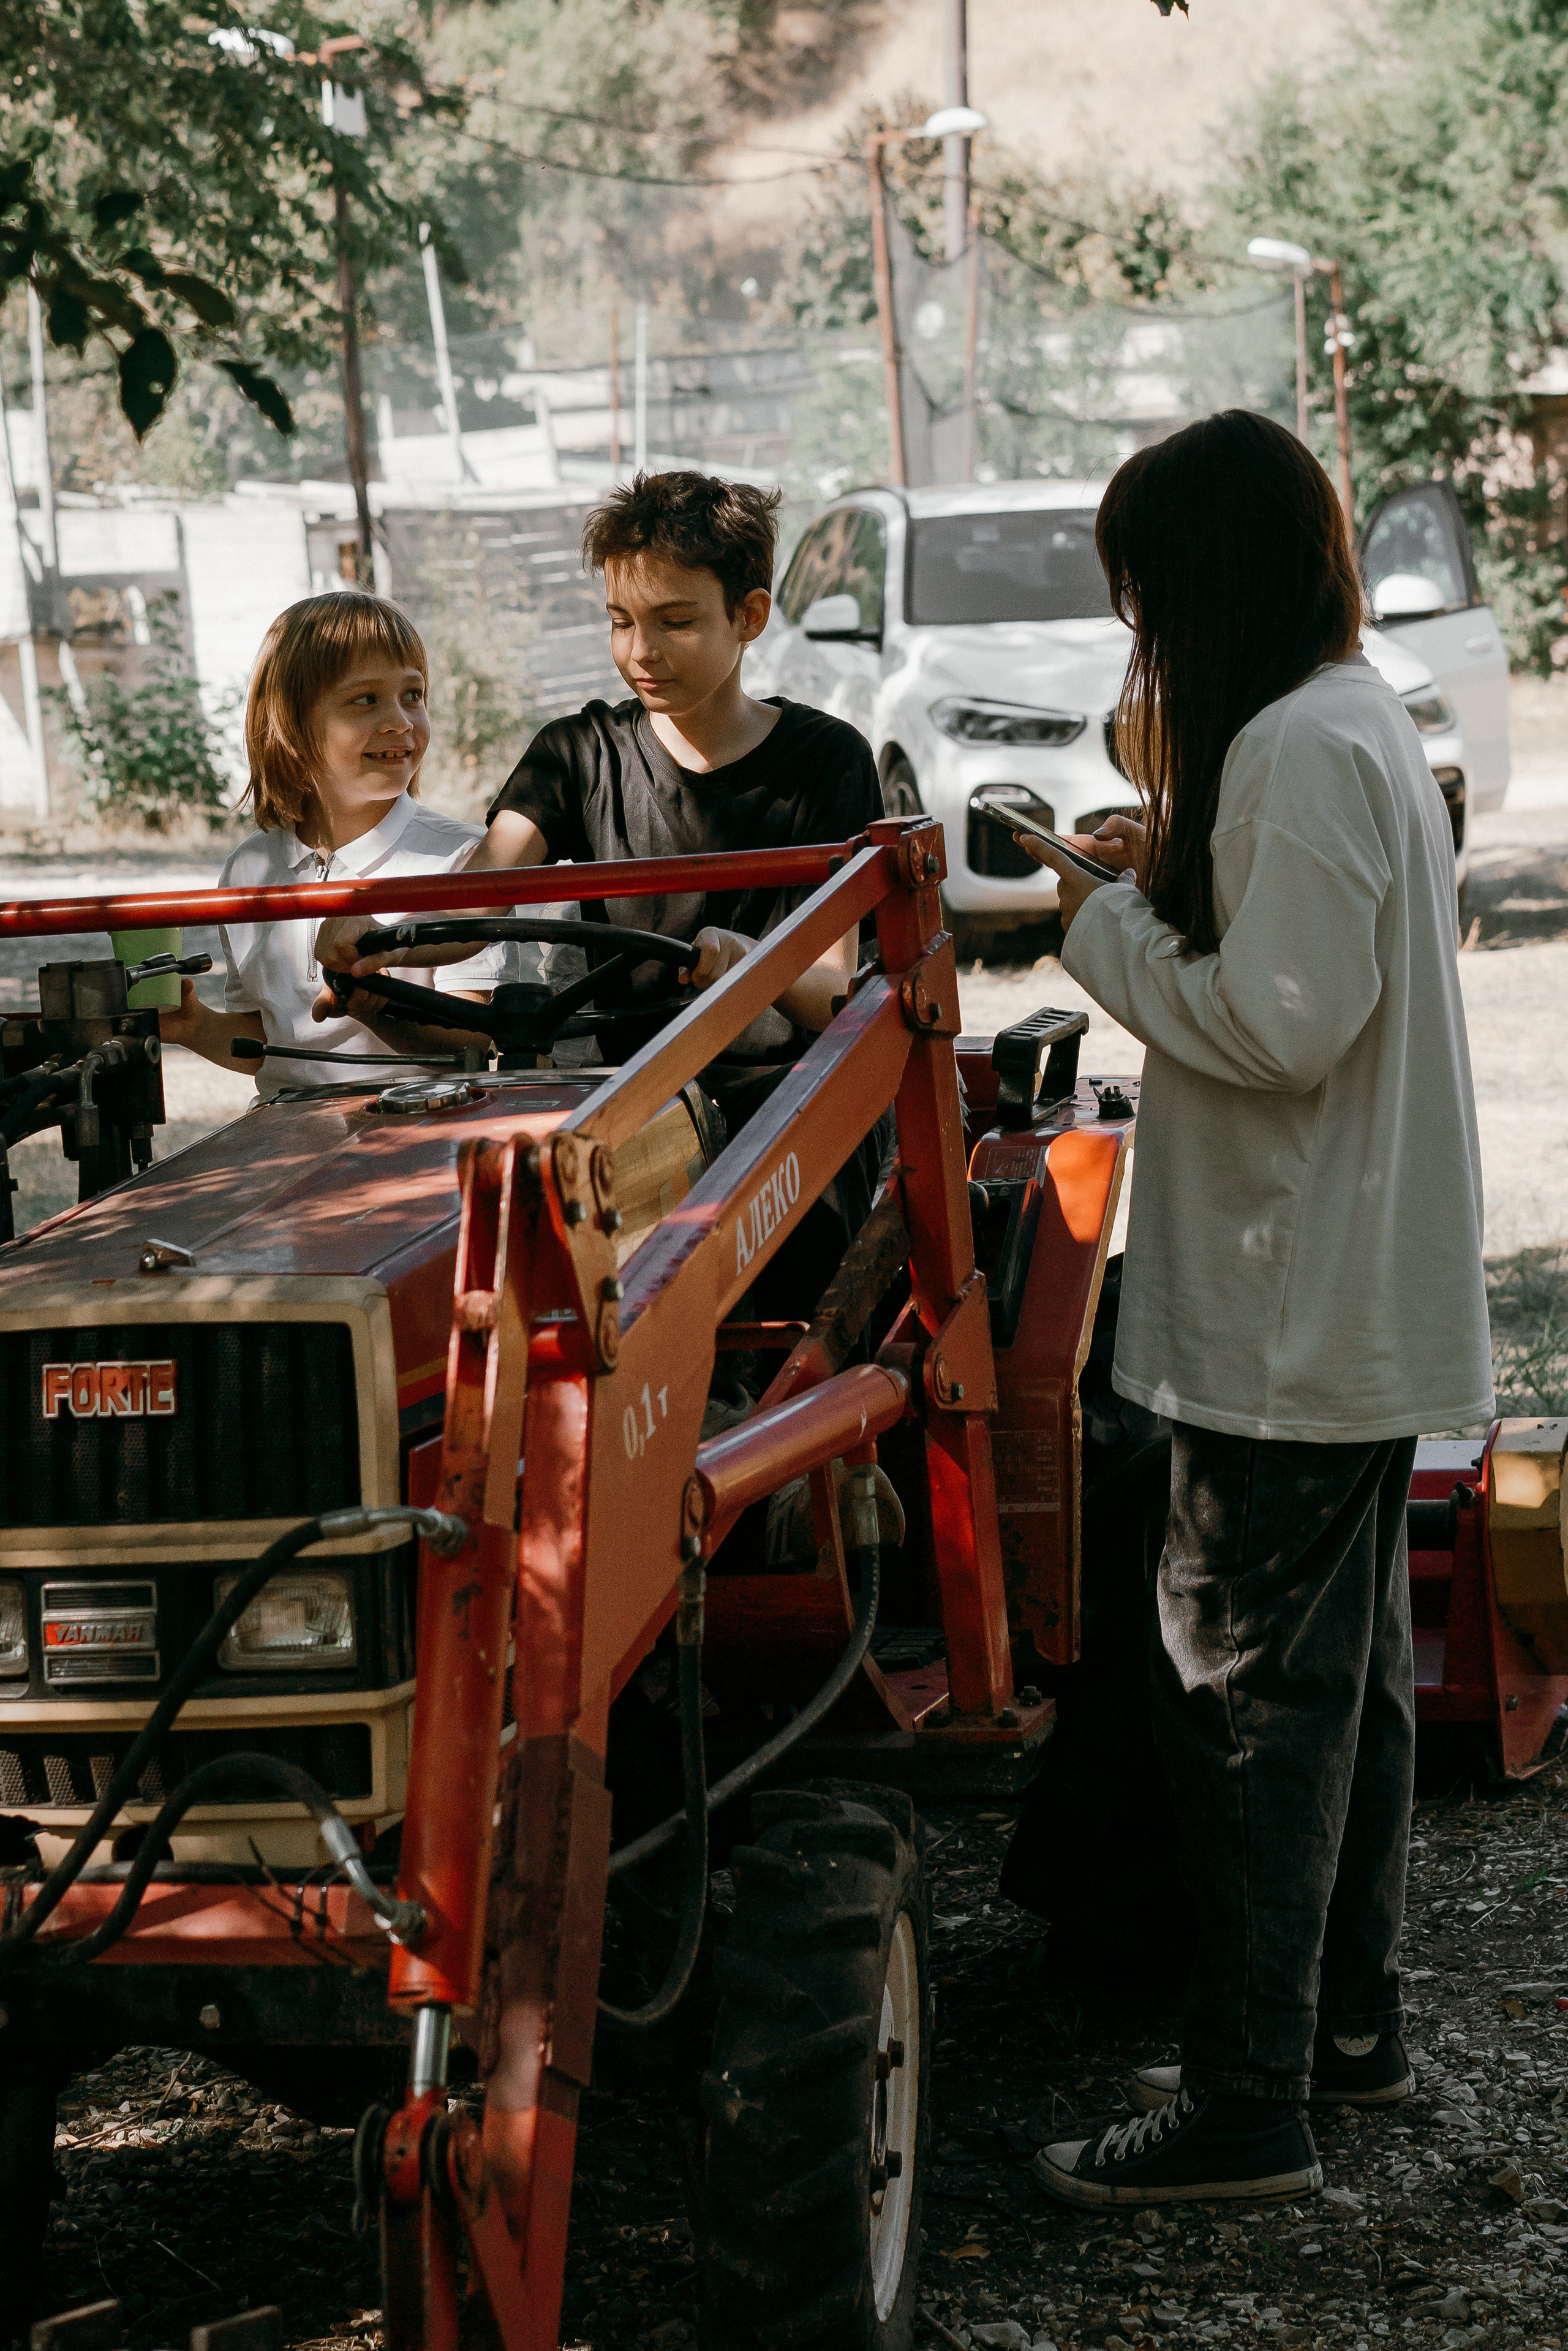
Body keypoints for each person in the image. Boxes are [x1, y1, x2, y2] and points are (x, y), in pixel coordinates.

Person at [1017, 410, 1492, 2209]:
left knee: (1241, 1709)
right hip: (1352, 1313)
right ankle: (1333, 2034)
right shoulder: (1353, 718)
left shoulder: (1296, 740)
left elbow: (1278, 1025)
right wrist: (1166, 867)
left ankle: (1242, 2103)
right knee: (1343, 1693)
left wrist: (1099, 920)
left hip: (1289, 1328)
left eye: (1141, 593)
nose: (1135, 633)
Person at [160, 592, 511, 1091]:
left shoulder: (466, 859)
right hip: (291, 1134)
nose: (401, 721)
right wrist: (195, 1027)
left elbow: (475, 1041)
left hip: (422, 1125)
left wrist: (381, 1008)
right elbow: (269, 1044)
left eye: (413, 695)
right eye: (365, 699)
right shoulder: (248, 871)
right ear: (291, 725)